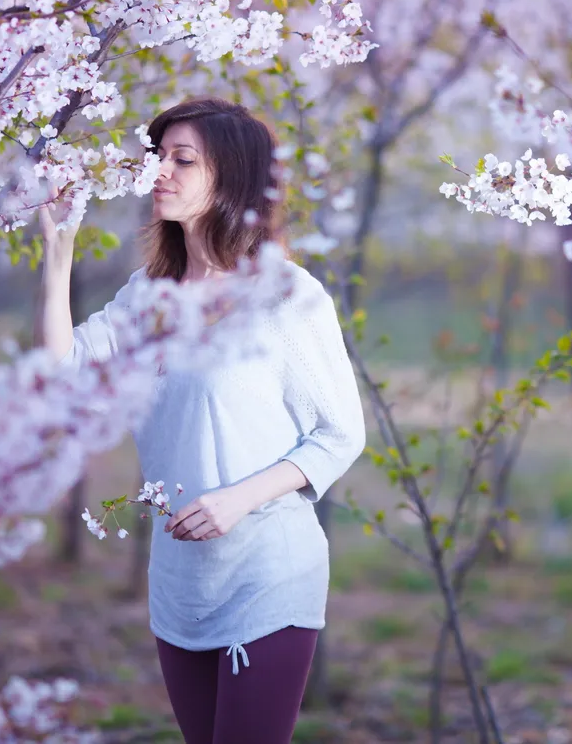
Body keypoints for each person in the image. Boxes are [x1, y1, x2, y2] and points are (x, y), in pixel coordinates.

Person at [37, 97, 366, 744]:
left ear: (233, 178)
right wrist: (57, 253)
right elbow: (62, 372)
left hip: (267, 574)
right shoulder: (148, 299)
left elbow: (339, 433)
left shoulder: (285, 296)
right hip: (181, 584)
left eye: (182, 160)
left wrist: (238, 500)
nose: (160, 171)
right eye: (158, 157)